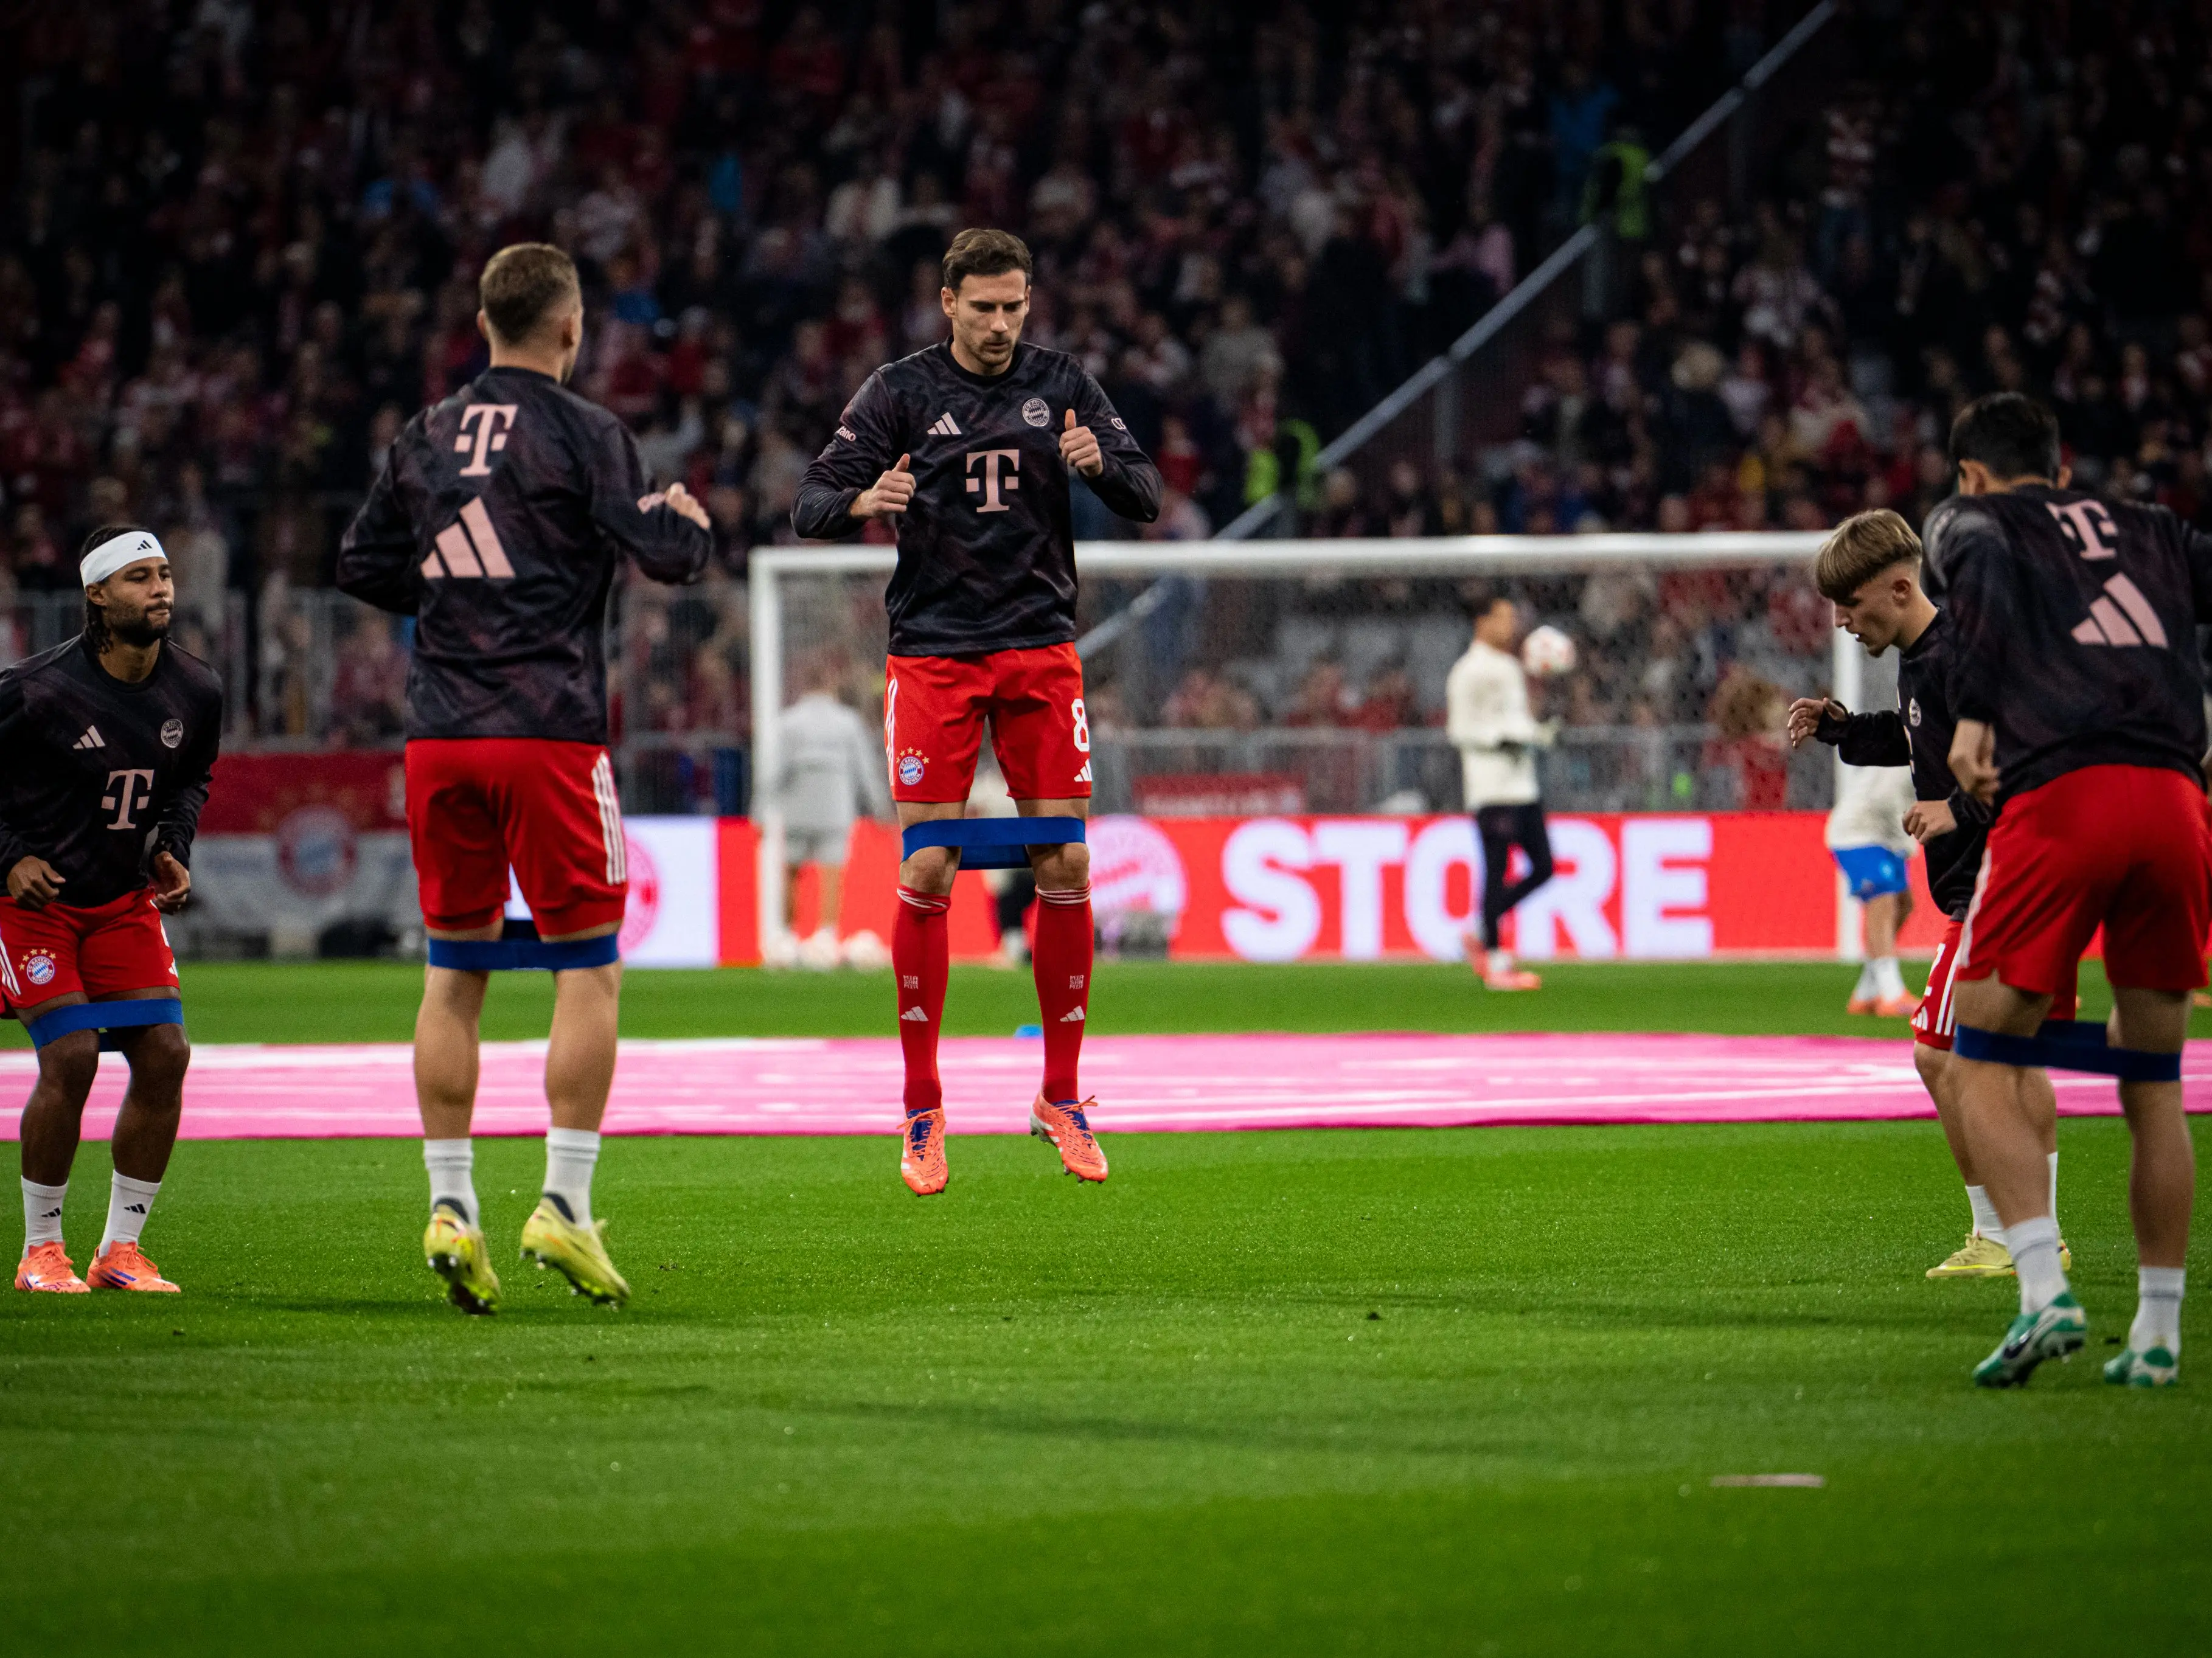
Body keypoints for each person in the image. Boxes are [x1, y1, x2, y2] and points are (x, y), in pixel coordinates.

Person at [337, 243, 712, 1313]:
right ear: (569, 327)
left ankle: (451, 1203)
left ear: (484, 323)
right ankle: (565, 1199)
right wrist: (684, 522)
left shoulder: (425, 434)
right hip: (547, 728)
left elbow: (362, 564)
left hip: (440, 732)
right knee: (587, 964)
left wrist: (456, 591)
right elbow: (667, 559)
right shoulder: (585, 431)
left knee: (454, 972)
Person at [792, 226, 1162, 1196]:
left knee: (1067, 858)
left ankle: (1062, 1096)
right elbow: (808, 502)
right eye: (984, 307)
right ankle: (923, 1106)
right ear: (947, 302)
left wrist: (1100, 467)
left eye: (1015, 306)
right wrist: (867, 495)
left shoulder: (1065, 381)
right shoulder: (899, 391)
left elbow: (1147, 493)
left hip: (1040, 649)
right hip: (936, 656)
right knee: (927, 860)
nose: (1002, 325)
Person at [1925, 392, 2211, 1388]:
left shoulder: (1971, 521)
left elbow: (1985, 573)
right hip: (2177, 803)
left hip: (2063, 795)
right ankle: (2160, 1333)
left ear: (1970, 474)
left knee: (1978, 1054)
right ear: (2061, 462)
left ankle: (2043, 1290)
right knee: (2154, 1080)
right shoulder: (2155, 527)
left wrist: (1969, 716)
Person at [1788, 508, 2071, 1280]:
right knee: (2003, 1059)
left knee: (1938, 1054)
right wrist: (1842, 728)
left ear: (1901, 587)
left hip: (1999, 883)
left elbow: (2031, 760)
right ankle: (2033, 1232)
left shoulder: (1963, 659)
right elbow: (1917, 736)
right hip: (1988, 885)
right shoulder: (1928, 661)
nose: (1842, 621)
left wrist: (1960, 808)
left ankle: (2005, 1235)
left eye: (1850, 604)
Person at [3, 527, 221, 1294]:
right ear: (97, 595)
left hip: (121, 900)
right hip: (34, 905)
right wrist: (10, 857)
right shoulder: (33, 691)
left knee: (165, 1052)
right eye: (138, 576)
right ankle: (40, 1252)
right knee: (72, 1056)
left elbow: (191, 777)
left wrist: (172, 842)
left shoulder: (196, 689)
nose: (160, 588)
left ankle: (120, 1252)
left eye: (163, 573)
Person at [1445, 595, 1556, 990]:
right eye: (1504, 618)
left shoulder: (1511, 667)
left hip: (1523, 784)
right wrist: (1501, 740)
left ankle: (1481, 927)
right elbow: (1459, 730)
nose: (1511, 627)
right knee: (1496, 870)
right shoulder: (1466, 672)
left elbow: (1519, 720)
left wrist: (1537, 733)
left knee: (1544, 867)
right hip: (1491, 787)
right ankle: (1494, 963)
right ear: (1483, 622)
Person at [767, 656, 890, 969]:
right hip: (835, 808)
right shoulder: (847, 721)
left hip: (796, 806)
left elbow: (774, 771)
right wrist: (880, 810)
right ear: (830, 685)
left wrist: (760, 810)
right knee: (831, 871)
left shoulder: (789, 721)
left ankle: (786, 936)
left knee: (791, 870)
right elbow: (864, 770)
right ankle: (825, 936)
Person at [1821, 757, 1919, 1016]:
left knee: (1904, 905)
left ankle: (1867, 992)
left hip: (1886, 836)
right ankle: (1892, 994)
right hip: (1858, 833)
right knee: (1882, 902)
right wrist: (1907, 843)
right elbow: (1885, 801)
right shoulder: (1910, 758)